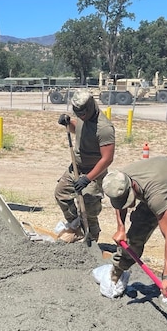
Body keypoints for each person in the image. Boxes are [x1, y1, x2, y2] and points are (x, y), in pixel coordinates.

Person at [102, 157, 167, 298]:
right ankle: (117, 272)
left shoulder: (155, 195)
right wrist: (121, 228)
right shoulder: (118, 179)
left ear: (132, 187)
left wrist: (166, 277)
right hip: (160, 184)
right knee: (136, 234)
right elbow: (119, 203)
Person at [54, 89, 115, 242]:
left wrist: (87, 179)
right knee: (61, 193)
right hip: (76, 168)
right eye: (77, 113)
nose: (80, 116)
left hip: (93, 173)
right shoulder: (82, 116)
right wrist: (68, 123)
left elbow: (107, 159)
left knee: (88, 207)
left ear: (90, 107)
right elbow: (79, 128)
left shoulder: (104, 128)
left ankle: (91, 237)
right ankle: (76, 226)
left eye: (82, 114)